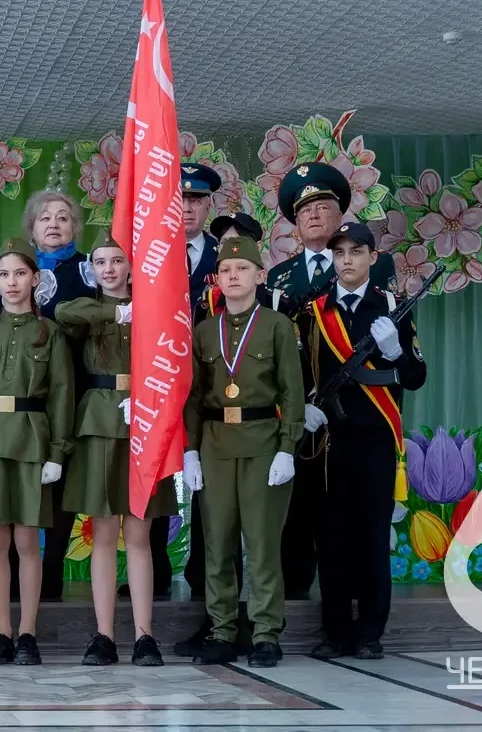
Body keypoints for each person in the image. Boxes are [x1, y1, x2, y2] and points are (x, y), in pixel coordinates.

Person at [266, 162, 394, 600]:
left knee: (354, 515)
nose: (314, 215)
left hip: (358, 410)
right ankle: (296, 594)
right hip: (301, 409)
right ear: (295, 224)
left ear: (341, 215)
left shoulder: (376, 266)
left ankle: (353, 603)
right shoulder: (280, 278)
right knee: (298, 505)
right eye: (304, 211)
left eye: (323, 207)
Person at [181, 234, 304, 668]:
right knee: (217, 544)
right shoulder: (203, 331)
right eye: (226, 270)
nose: (233, 276)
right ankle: (222, 631)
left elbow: (292, 392)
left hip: (263, 443)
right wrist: (190, 451)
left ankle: (266, 633)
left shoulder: (277, 326)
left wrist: (288, 447)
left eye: (243, 269)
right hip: (215, 444)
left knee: (263, 544)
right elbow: (194, 398)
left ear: (259, 275)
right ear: (216, 278)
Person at [307, 220, 426, 661]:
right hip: (329, 441)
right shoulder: (315, 311)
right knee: (332, 539)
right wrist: (305, 407)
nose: (347, 261)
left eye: (356, 252)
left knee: (373, 537)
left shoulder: (392, 308)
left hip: (375, 440)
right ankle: (336, 631)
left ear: (373, 258)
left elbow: (416, 377)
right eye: (339, 253)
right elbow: (302, 372)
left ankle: (370, 632)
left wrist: (395, 352)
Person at [55, 235, 173, 667]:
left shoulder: (154, 307)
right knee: (103, 533)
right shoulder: (89, 307)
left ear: (131, 267)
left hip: (145, 421)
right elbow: (64, 312)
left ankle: (144, 636)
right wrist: (118, 312)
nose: (108, 269)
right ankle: (103, 635)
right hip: (100, 421)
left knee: (139, 535)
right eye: (100, 262)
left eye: (117, 261)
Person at [0, 238, 73, 666]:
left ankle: (27, 632)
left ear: (35, 279)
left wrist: (57, 452)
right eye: (4, 274)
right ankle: (2, 633)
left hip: (31, 440)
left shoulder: (51, 334)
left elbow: (62, 395)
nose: (12, 282)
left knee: (28, 540)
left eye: (20, 274)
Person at [23, 188, 87, 603]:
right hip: (24, 397)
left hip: (76, 391)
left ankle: (51, 577)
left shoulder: (90, 270)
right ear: (31, 228)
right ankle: (22, 574)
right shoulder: (15, 269)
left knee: (61, 485)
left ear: (74, 227)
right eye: (45, 218)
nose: (54, 224)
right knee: (25, 486)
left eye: (63, 217)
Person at [182, 163, 222, 304]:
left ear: (208, 208)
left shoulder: (222, 255)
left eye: (195, 201)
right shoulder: (153, 253)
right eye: (179, 200)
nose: (186, 209)